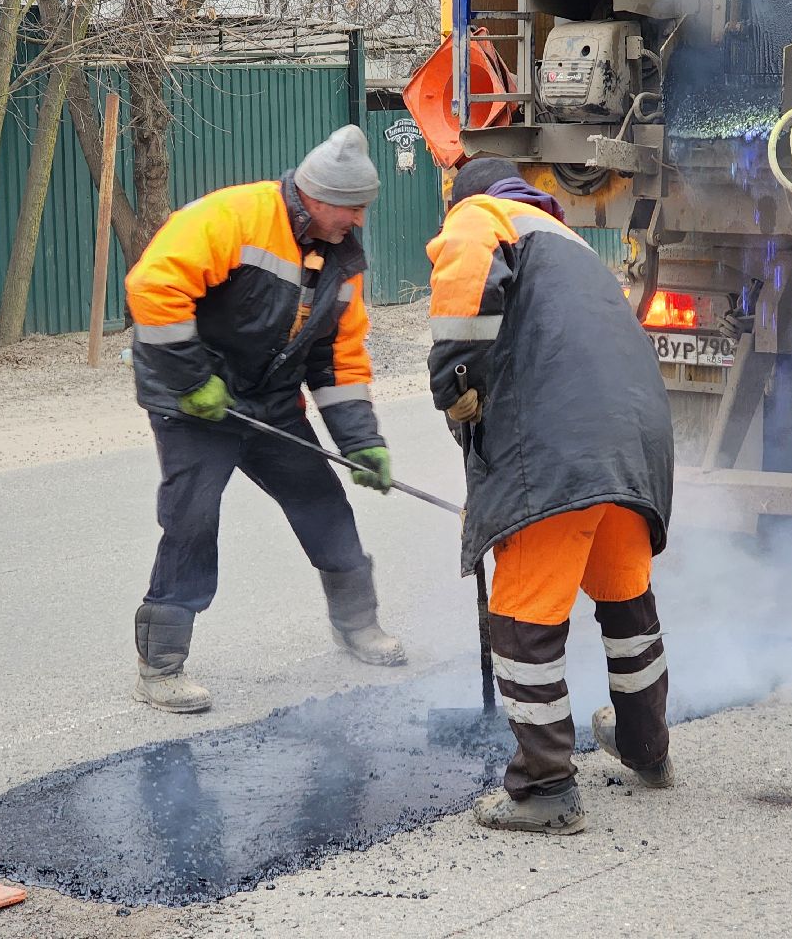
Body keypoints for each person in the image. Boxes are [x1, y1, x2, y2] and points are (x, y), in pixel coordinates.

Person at [425, 157, 675, 834]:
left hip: (561, 445)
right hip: (633, 439)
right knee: (626, 602)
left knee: (523, 616)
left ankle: (545, 789)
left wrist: (454, 384)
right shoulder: (567, 244)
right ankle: (648, 750)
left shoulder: (484, 216)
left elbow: (466, 284)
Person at [125, 125, 405, 714]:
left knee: (323, 505)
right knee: (193, 519)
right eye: (352, 210)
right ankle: (162, 665)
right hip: (197, 402)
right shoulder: (235, 215)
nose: (358, 222)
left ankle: (358, 625)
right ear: (318, 197)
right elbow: (153, 286)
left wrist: (362, 442)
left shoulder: (342, 262)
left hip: (270, 401)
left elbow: (339, 359)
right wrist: (192, 379)